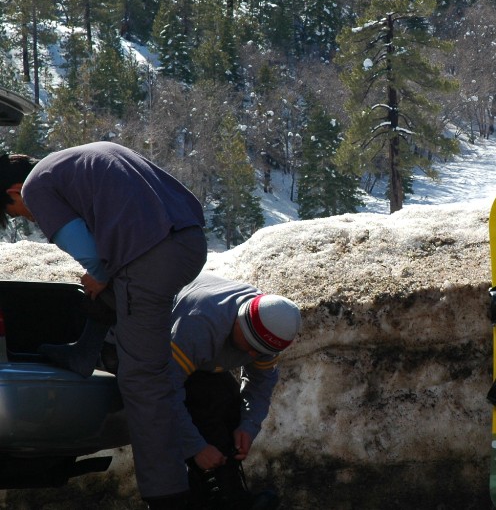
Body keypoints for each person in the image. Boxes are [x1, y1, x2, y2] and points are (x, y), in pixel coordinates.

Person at [0, 141, 208, 509]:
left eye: (17, 213)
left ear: (14, 192)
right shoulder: (78, 158)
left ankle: (169, 497)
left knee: (143, 380)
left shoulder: (36, 187)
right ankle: (87, 352)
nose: (28, 219)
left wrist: (97, 276)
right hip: (187, 240)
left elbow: (92, 257)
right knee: (128, 325)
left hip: (149, 256)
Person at [166, 272, 302, 510]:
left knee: (229, 400)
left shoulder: (269, 325)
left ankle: (228, 494)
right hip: (152, 346)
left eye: (259, 351)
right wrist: (195, 447)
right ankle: (199, 496)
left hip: (202, 361)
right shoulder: (199, 326)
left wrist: (248, 425)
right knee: (202, 402)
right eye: (250, 345)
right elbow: (164, 391)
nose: (251, 355)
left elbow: (260, 383)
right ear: (239, 321)